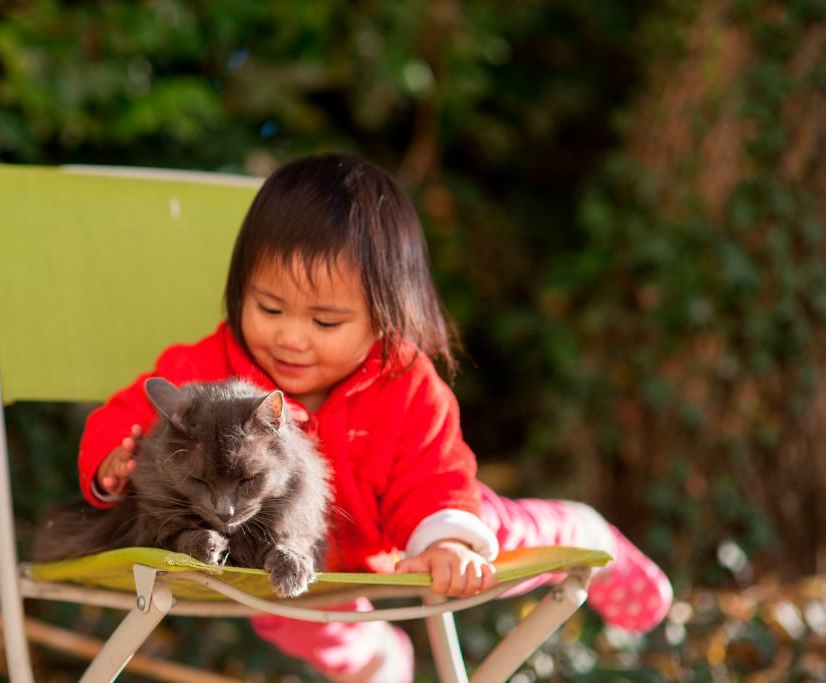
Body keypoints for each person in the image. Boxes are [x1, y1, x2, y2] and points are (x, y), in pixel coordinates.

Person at [76, 153, 672, 682]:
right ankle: (372, 660)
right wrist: (112, 458)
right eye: (268, 306)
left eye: (325, 322)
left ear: (384, 316)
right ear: (239, 291)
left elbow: (433, 472)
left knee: (490, 541)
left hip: (408, 526)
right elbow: (131, 415)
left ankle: (586, 533)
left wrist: (445, 539)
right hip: (296, 554)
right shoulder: (210, 371)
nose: (290, 337)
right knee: (282, 614)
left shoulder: (404, 382)